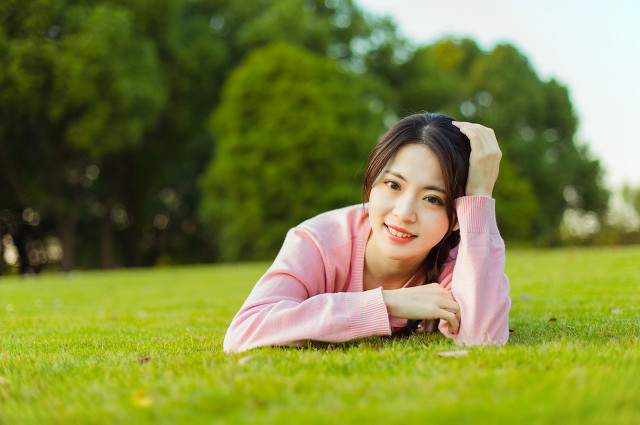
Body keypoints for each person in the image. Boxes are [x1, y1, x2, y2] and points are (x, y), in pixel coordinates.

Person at [223, 112, 511, 353]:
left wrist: (480, 197)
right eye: (393, 185)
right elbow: (246, 331)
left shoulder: (464, 258)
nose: (404, 213)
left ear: (457, 217)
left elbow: (482, 339)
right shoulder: (317, 241)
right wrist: (386, 302)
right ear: (371, 183)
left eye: (433, 199)